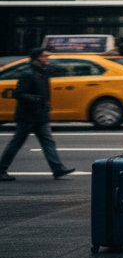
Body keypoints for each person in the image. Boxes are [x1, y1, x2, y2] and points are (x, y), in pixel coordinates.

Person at [0, 49, 76, 181]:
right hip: (27, 116)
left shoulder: (43, 73)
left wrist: (46, 103)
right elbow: (18, 93)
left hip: (40, 115)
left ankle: (57, 168)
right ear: (36, 58)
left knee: (48, 142)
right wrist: (37, 99)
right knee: (16, 143)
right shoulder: (28, 74)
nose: (48, 58)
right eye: (45, 56)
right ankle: (1, 170)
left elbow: (44, 92)